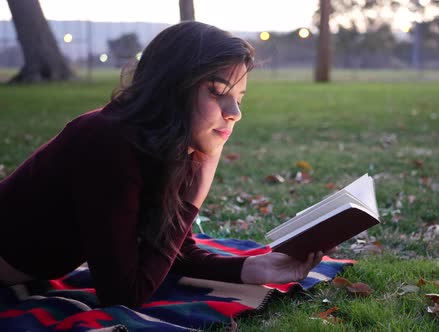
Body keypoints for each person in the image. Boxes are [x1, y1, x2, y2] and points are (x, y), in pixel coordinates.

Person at [0, 21, 324, 308]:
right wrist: (195, 193)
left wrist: (251, 268)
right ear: (172, 86)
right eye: (217, 92)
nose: (234, 112)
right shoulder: (107, 142)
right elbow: (123, 294)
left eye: (239, 98)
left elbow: (170, 248)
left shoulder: (162, 144)